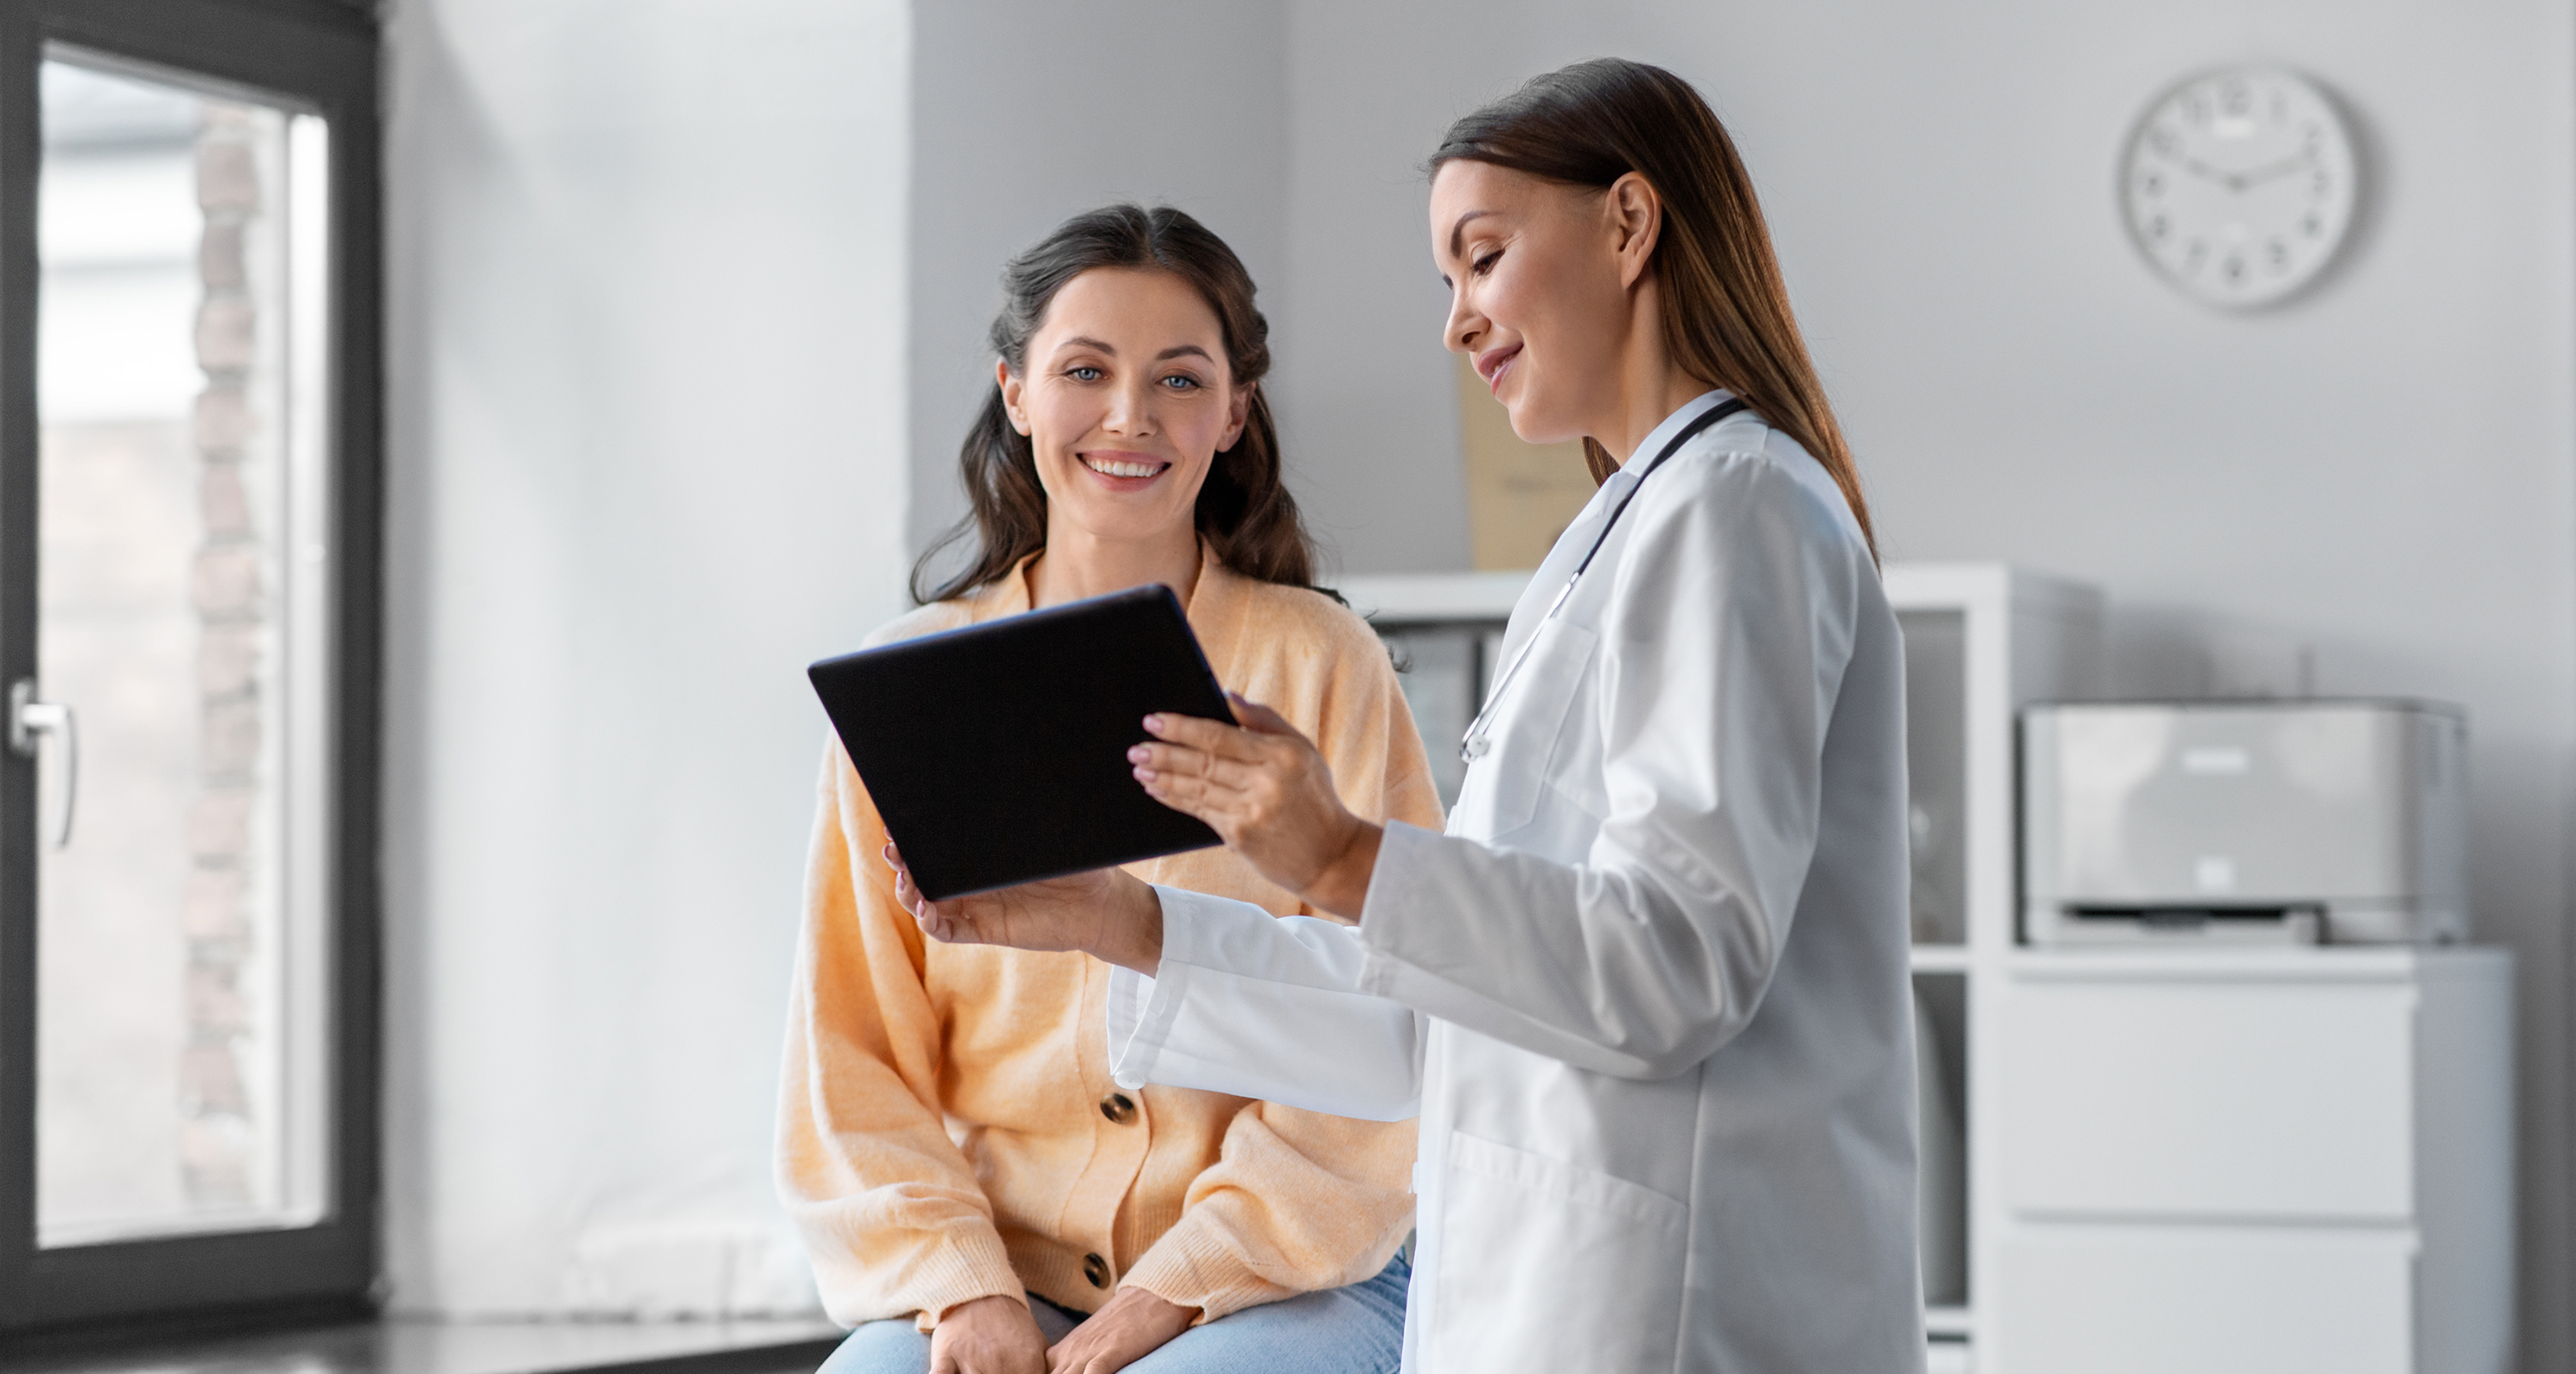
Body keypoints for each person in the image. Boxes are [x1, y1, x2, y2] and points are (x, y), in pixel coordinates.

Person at [889, 60, 1922, 1373]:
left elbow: (1678, 967)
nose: (1456, 324)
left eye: (1481, 259)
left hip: (1677, 1305)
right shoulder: (1624, 535)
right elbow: (1436, 1026)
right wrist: (1119, 921)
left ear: (1628, 223)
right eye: (1449, 282)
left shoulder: (1737, 511)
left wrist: (1342, 856)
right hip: (1554, 1290)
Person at [782, 205, 1440, 1374]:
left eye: (1179, 380)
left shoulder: (1320, 667)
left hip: (1289, 1272)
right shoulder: (907, 690)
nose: (1130, 417)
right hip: (1002, 1269)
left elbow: (1390, 1034)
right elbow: (850, 1061)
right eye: (1085, 370)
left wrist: (1171, 1293)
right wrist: (959, 1289)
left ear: (1235, 413)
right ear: (1017, 391)